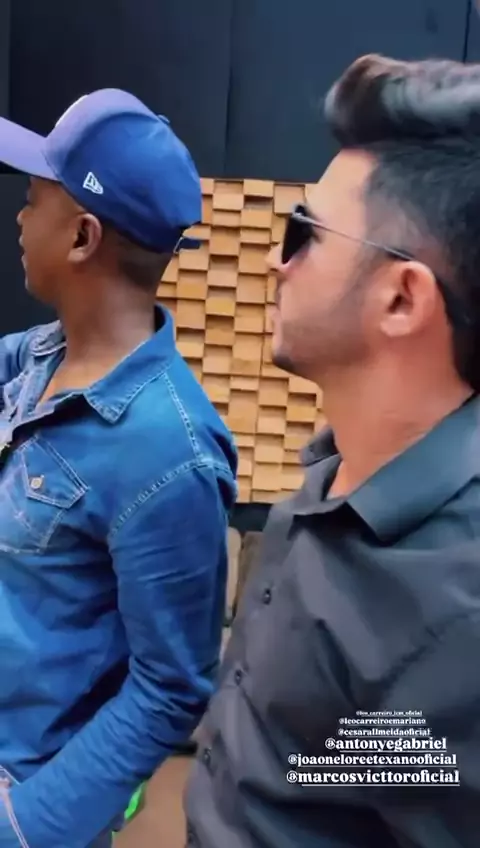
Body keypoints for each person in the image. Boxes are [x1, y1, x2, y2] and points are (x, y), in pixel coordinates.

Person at [184, 55, 480, 847]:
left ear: (401, 298)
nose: (275, 262)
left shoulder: (456, 612)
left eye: (303, 235)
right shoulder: (336, 472)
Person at [0, 89, 237, 847]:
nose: (19, 218)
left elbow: (171, 687)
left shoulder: (171, 453)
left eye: (32, 200)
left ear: (82, 237)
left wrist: (23, 826)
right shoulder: (36, 358)